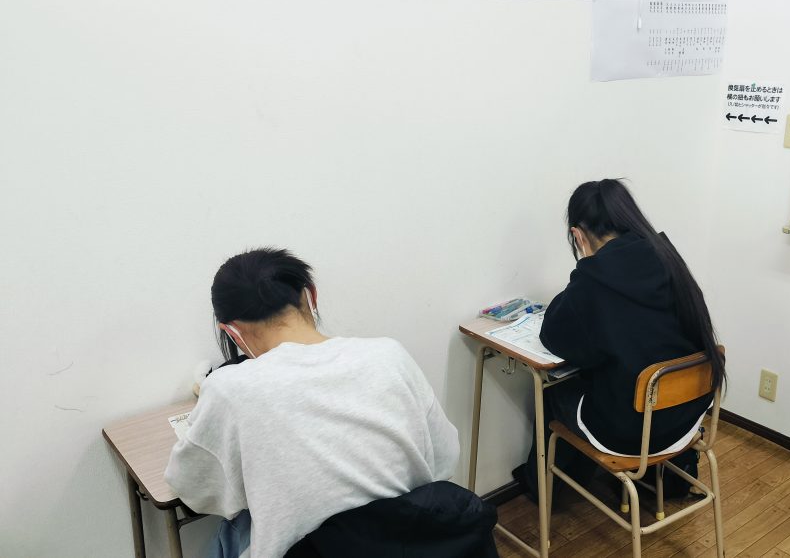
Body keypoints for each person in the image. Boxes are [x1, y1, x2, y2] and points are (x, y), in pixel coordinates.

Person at [165, 248, 460, 558]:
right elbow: (445, 459)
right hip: (413, 544)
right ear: (311, 295)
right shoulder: (390, 356)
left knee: (233, 530)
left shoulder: (228, 390)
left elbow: (191, 488)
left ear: (232, 332)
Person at [514, 179, 725, 503]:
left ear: (577, 235)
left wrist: (582, 271)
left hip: (632, 435)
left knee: (553, 389)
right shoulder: (666, 254)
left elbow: (554, 335)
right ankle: (664, 479)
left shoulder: (594, 277)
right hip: (688, 418)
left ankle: (547, 492)